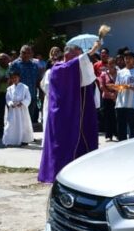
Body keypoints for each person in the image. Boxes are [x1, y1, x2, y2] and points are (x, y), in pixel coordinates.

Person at [38, 40, 101, 184]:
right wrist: (91, 51)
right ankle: (56, 173)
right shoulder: (57, 69)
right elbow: (73, 66)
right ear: (68, 55)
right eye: (77, 56)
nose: (81, 61)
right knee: (62, 144)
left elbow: (86, 77)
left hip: (72, 110)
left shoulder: (70, 68)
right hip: (61, 114)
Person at [115, 51, 134, 140]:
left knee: (133, 128)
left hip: (132, 104)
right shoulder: (120, 72)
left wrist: (130, 87)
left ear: (133, 59)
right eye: (126, 58)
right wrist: (117, 87)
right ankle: (122, 146)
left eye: (129, 58)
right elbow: (117, 87)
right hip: (121, 104)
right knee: (121, 128)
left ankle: (133, 147)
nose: (127, 60)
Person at [2, 70, 34, 146]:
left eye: (16, 77)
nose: (14, 79)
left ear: (19, 78)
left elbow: (28, 98)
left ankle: (24, 139)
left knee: (23, 124)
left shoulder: (25, 87)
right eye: (12, 78)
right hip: (13, 110)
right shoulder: (9, 89)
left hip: (22, 109)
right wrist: (11, 103)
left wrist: (22, 103)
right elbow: (8, 98)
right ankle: (10, 140)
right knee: (11, 124)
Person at [11, 45, 40, 124]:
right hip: (19, 97)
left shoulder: (35, 65)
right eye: (24, 53)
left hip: (32, 95)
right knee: (18, 119)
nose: (26, 54)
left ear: (31, 54)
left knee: (29, 118)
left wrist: (40, 93)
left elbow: (38, 80)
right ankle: (19, 135)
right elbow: (11, 81)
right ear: (20, 53)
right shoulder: (15, 64)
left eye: (29, 53)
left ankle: (27, 135)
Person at [98, 57, 118, 141]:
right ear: (107, 65)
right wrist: (110, 94)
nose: (111, 65)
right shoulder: (103, 74)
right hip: (106, 98)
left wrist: (115, 95)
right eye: (110, 63)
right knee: (108, 117)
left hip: (117, 97)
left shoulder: (119, 74)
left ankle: (117, 134)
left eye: (113, 63)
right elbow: (102, 86)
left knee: (116, 117)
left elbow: (121, 84)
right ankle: (108, 135)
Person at [0, 53, 11, 137]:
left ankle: (10, 130)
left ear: (8, 59)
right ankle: (1, 130)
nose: (2, 60)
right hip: (0, 93)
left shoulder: (11, 67)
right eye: (1, 59)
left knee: (11, 112)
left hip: (10, 93)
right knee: (0, 112)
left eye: (4, 58)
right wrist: (1, 80)